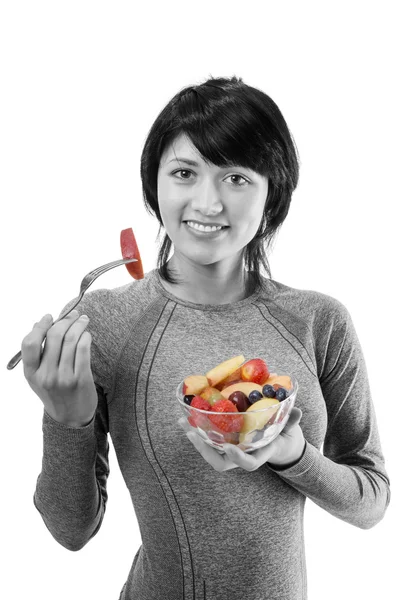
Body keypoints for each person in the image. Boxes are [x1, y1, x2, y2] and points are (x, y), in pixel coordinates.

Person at [21, 75, 391, 600]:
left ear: (273, 193)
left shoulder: (320, 321)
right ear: (155, 184)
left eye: (237, 178)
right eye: (184, 172)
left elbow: (372, 500)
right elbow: (71, 531)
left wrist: (292, 455)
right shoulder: (101, 323)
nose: (209, 203)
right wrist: (66, 418)